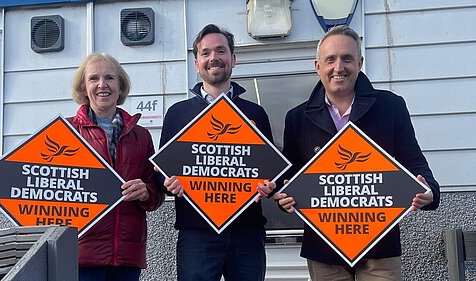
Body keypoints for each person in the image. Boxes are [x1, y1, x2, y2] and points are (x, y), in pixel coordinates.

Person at [273, 25, 440, 281]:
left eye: (347, 58)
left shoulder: (391, 106)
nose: (338, 67)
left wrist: (430, 191)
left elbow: (414, 160)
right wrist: (283, 199)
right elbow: (291, 179)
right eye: (330, 59)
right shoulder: (297, 118)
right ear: (318, 66)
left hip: (380, 249)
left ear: (360, 63)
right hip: (323, 251)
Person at [0, 52, 164, 281]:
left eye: (110, 78)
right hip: (79, 255)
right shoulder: (65, 133)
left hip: (126, 256)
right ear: (84, 88)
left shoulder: (141, 137)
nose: (102, 85)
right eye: (93, 78)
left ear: (120, 85)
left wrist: (146, 192)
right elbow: (35, 180)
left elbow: (155, 194)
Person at [158, 24, 275, 281]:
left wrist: (270, 186)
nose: (214, 58)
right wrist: (168, 184)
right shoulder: (178, 114)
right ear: (197, 63)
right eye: (206, 52)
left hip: (248, 234)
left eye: (221, 51)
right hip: (197, 235)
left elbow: (271, 173)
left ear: (233, 59)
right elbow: (161, 175)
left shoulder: (255, 114)